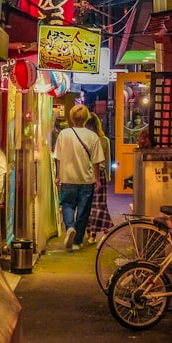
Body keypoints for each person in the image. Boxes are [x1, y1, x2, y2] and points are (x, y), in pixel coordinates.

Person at [53, 104, 104, 251]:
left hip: (67, 177)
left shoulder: (64, 134)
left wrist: (58, 175)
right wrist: (97, 179)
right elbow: (96, 161)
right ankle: (77, 242)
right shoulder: (92, 136)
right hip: (86, 179)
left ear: (71, 117)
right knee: (84, 211)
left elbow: (58, 157)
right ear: (87, 117)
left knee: (67, 205)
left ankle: (69, 228)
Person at [84, 113, 113, 244]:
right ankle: (102, 229)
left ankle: (92, 232)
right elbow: (107, 161)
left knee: (90, 205)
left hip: (87, 174)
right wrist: (107, 176)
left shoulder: (86, 139)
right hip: (100, 174)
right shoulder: (104, 140)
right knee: (99, 205)